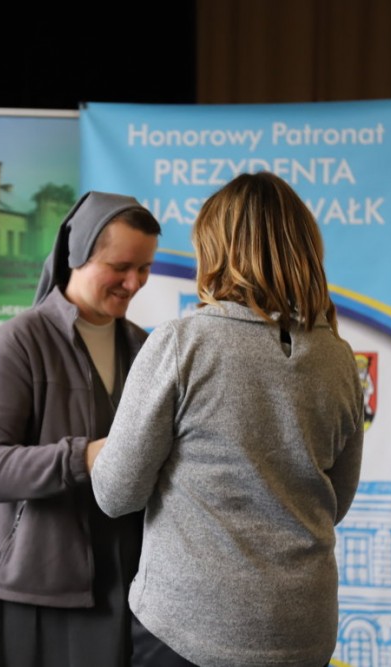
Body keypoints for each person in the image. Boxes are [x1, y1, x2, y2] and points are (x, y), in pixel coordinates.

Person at [88, 172, 365, 667]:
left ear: (216, 250)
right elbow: (336, 501)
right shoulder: (339, 358)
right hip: (303, 632)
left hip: (189, 631)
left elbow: (116, 493)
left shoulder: (182, 343)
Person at [0, 192, 161, 667]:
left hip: (114, 589)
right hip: (21, 592)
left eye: (144, 268)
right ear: (76, 254)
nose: (133, 283)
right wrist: (87, 456)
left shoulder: (144, 349)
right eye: (120, 267)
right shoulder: (18, 342)